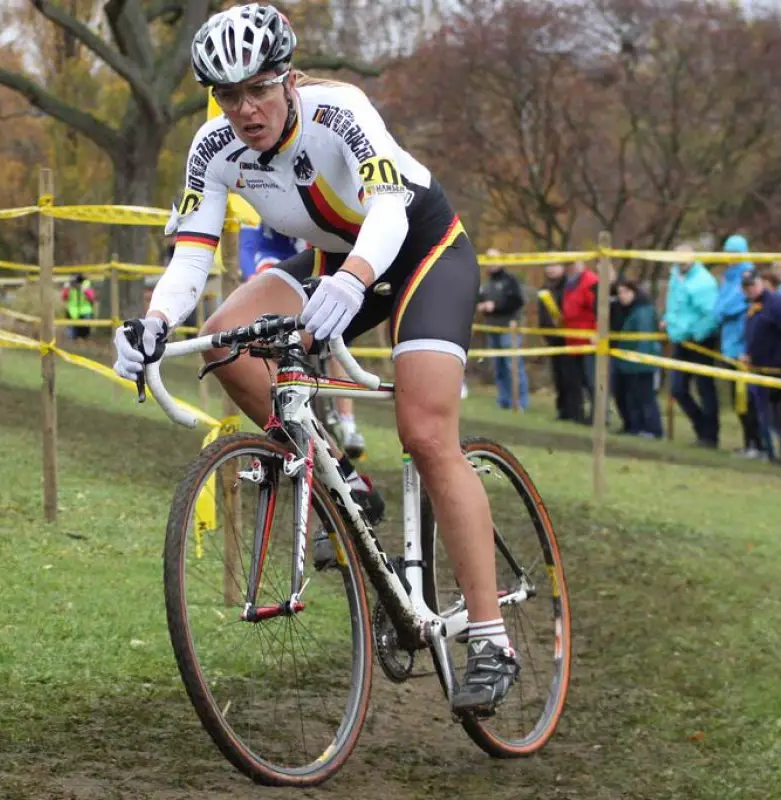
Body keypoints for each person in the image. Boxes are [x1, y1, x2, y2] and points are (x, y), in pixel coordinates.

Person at [112, 4, 516, 713]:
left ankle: (490, 638)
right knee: (228, 340)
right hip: (335, 260)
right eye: (227, 95)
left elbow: (388, 209)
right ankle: (343, 486)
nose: (244, 109)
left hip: (421, 249)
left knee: (424, 433)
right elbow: (191, 255)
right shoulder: (212, 149)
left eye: (258, 90)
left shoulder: (340, 110)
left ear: (288, 80)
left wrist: (355, 280)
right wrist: (150, 322)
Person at [242, 221, 368, 456]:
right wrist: (251, 276)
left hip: (316, 258)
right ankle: (280, 418)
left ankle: (348, 423)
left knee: (334, 342)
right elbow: (248, 245)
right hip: (277, 258)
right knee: (270, 335)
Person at [663, 245, 720, 447]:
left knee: (705, 388)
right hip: (680, 339)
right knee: (678, 388)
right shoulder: (675, 277)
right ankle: (701, 426)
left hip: (699, 340)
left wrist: (695, 333)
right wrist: (667, 320)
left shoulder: (703, 281)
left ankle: (710, 435)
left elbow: (711, 314)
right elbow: (674, 305)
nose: (681, 261)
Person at [715, 235, 766, 459]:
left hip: (743, 344)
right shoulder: (728, 277)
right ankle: (748, 443)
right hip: (729, 343)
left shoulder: (748, 275)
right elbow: (719, 305)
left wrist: (721, 312)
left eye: (734, 252)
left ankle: (758, 444)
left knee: (749, 399)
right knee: (739, 399)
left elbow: (733, 305)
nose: (730, 257)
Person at [742, 269, 781, 465]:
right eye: (746, 287)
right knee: (762, 413)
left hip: (776, 369)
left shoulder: (776, 303)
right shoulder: (751, 306)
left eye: (752, 285)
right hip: (757, 367)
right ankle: (769, 451)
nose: (750, 290)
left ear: (761, 283)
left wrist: (778, 362)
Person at [613, 278, 663, 438]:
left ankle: (652, 429)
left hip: (641, 363)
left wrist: (640, 359)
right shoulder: (630, 311)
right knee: (632, 397)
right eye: (620, 293)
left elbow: (644, 338)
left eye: (626, 292)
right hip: (628, 363)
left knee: (645, 397)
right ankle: (635, 427)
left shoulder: (643, 311)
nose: (622, 296)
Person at [476, 261, 528, 410]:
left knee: (513, 366)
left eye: (494, 259)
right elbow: (481, 299)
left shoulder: (510, 280)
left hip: (509, 329)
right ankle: (504, 401)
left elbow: (517, 301)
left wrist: (496, 306)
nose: (490, 263)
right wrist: (482, 306)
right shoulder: (487, 283)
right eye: (488, 260)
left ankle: (520, 402)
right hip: (493, 328)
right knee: (499, 367)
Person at [559, 260, 598, 423]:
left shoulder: (590, 281)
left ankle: (598, 415)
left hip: (588, 338)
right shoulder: (570, 283)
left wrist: (597, 332)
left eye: (574, 264)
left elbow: (598, 309)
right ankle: (579, 413)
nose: (571, 268)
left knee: (591, 380)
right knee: (577, 379)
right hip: (573, 338)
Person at [538, 263, 570, 420]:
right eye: (549, 265)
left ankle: (573, 411)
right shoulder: (545, 288)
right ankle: (562, 410)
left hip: (568, 339)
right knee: (558, 377)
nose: (551, 269)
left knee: (569, 377)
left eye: (556, 265)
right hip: (552, 338)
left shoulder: (569, 287)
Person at [61, 274, 97, 340]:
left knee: (85, 334)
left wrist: (85, 290)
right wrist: (66, 288)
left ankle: (84, 341)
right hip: (72, 313)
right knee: (72, 335)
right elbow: (64, 298)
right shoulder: (69, 287)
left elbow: (92, 298)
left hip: (85, 312)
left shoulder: (86, 287)